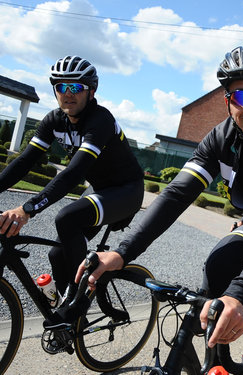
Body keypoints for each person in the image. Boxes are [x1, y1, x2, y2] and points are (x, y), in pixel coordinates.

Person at [76, 45, 243, 374]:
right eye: (242, 97)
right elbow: (177, 195)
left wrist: (241, 294)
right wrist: (122, 252)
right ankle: (220, 363)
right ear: (227, 101)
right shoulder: (219, 139)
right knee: (218, 266)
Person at [0, 56, 144, 327]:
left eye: (76, 88)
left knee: (67, 217)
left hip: (127, 190)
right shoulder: (54, 120)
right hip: (100, 190)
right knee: (58, 254)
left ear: (91, 91)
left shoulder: (100, 120)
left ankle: (80, 303)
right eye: (61, 87)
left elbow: (74, 173)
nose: (68, 93)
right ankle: (67, 303)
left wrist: (27, 209)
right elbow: (24, 161)